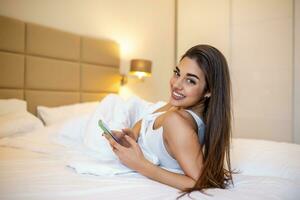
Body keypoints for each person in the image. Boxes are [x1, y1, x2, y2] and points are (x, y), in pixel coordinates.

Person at [103, 44, 233, 194]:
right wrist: (132, 135)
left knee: (111, 100)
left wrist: (140, 165)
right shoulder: (178, 105)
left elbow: (199, 182)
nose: (176, 84)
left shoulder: (177, 122)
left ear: (209, 91)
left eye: (190, 80)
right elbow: (145, 120)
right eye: (177, 73)